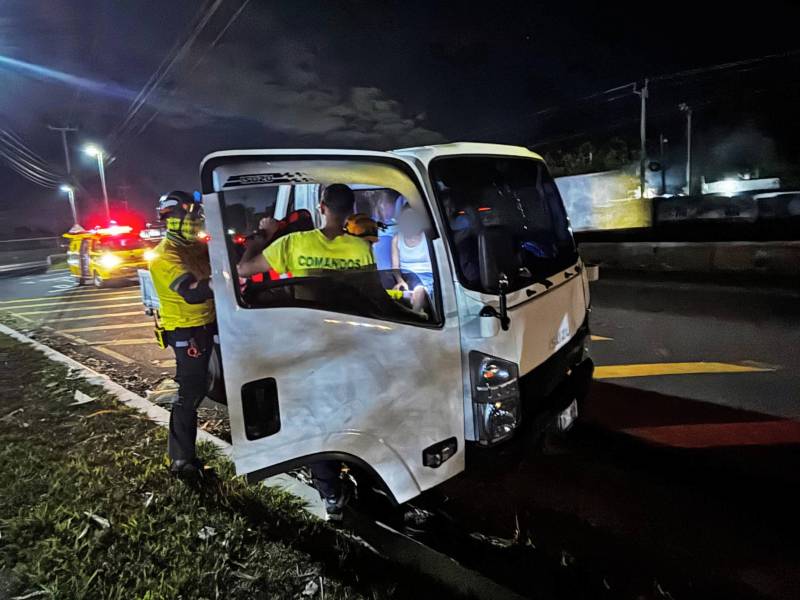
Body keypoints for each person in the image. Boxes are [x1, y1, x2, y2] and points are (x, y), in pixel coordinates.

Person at [237, 183, 373, 520]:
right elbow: (372, 298)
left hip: (309, 344)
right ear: (349, 210)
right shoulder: (360, 248)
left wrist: (263, 236)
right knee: (355, 411)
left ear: (321, 206)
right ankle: (365, 476)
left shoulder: (293, 242)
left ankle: (331, 496)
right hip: (351, 343)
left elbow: (244, 270)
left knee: (316, 420)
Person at [148, 190, 216, 481]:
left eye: (195, 212)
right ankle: (181, 460)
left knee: (213, 385)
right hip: (186, 332)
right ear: (169, 219)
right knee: (190, 392)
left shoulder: (195, 247)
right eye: (186, 213)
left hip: (210, 323)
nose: (193, 219)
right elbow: (192, 293)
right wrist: (226, 277)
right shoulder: (165, 255)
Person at [391, 205, 434, 300]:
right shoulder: (397, 239)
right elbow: (395, 267)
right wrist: (400, 281)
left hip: (430, 277)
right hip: (408, 277)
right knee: (419, 289)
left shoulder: (427, 238)